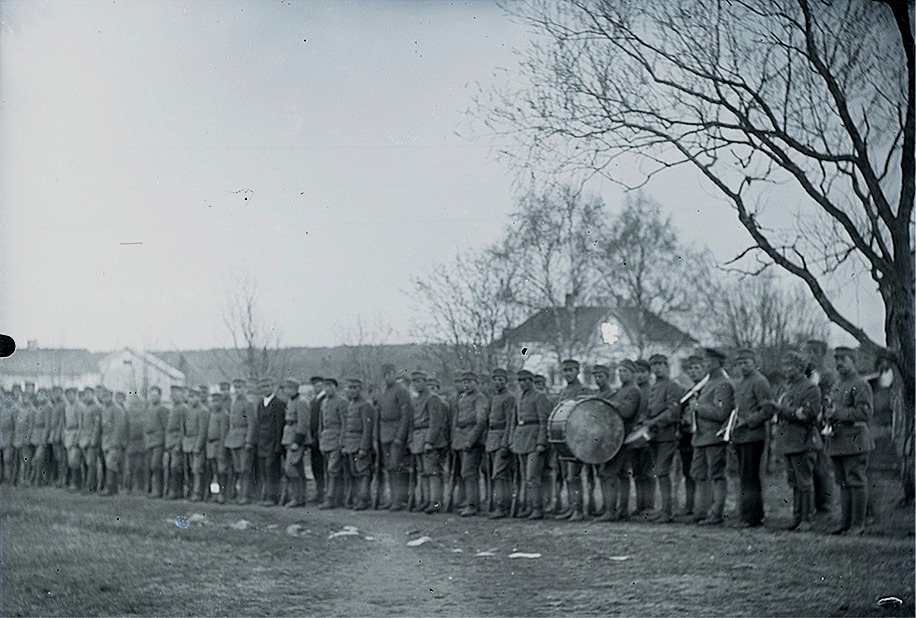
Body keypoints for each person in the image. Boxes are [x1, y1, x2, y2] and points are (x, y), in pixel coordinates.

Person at [825, 347, 874, 535]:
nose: (839, 363)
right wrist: (829, 414)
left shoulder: (860, 384)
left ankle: (858, 524)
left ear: (853, 361)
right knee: (843, 482)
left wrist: (838, 413)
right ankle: (845, 523)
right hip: (838, 440)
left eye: (843, 359)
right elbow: (833, 409)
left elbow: (865, 413)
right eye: (836, 359)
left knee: (856, 481)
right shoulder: (837, 384)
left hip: (855, 441)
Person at [773, 351, 822, 531]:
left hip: (804, 441)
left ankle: (807, 519)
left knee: (805, 482)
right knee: (794, 482)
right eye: (784, 365)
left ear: (801, 367)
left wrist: (781, 410)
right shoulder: (786, 387)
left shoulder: (810, 388)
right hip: (789, 442)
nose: (786, 369)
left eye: (790, 366)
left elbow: (808, 414)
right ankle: (797, 517)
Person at [731, 348, 775, 528]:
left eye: (746, 363)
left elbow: (768, 410)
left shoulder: (760, 381)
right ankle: (753, 514)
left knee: (750, 477)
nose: (743, 367)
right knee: (745, 476)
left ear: (754, 363)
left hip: (753, 436)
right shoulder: (742, 382)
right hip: (741, 437)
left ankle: (749, 517)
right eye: (740, 363)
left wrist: (747, 421)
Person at [690, 348, 735, 525]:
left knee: (717, 475)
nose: (705, 364)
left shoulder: (723, 384)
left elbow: (721, 413)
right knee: (699, 474)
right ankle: (701, 511)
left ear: (718, 363)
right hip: (701, 437)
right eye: (705, 361)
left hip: (714, 437)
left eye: (709, 362)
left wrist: (698, 407)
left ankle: (716, 513)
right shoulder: (708, 383)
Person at [596, 360, 642, 522]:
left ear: (632, 374)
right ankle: (622, 510)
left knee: (610, 473)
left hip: (623, 437)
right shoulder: (622, 390)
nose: (621, 374)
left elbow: (626, 412)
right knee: (622, 474)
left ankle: (611, 510)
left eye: (625, 372)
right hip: (618, 437)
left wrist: (608, 404)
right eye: (620, 371)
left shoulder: (633, 391)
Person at [643, 354, 685, 523]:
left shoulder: (672, 385)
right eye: (653, 365)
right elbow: (651, 409)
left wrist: (653, 421)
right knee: (659, 473)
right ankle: (663, 510)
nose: (657, 368)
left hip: (667, 436)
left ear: (666, 366)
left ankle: (668, 511)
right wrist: (646, 419)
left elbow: (673, 412)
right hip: (655, 436)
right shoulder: (654, 387)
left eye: (660, 364)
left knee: (662, 471)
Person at [508, 369, 552, 519]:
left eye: (525, 380)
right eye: (519, 381)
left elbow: (544, 421)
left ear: (531, 381)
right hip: (521, 440)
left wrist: (541, 442)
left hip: (534, 441)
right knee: (526, 478)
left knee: (533, 476)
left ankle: (537, 508)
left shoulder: (540, 396)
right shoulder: (519, 397)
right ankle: (529, 507)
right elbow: (516, 421)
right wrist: (513, 441)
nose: (522, 383)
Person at [802, 339, 837, 518]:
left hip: (821, 425)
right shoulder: (805, 374)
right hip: (806, 426)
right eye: (808, 351)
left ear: (823, 353)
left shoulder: (827, 375)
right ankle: (811, 506)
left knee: (821, 465)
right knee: (809, 466)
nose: (811, 355)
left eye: (815, 351)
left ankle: (824, 506)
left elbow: (829, 400)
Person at [556, 359, 594, 521]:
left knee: (574, 475)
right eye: (565, 371)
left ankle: (578, 510)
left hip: (578, 439)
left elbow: (587, 413)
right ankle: (572, 507)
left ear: (577, 371)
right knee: (567, 476)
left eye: (570, 370)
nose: (567, 374)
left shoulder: (584, 390)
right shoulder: (563, 391)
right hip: (564, 439)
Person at [409, 371, 450, 514]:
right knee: (423, 473)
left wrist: (429, 441)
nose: (416, 384)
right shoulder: (416, 399)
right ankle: (426, 500)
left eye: (419, 381)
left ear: (425, 382)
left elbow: (435, 422)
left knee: (432, 472)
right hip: (417, 438)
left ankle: (435, 502)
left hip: (429, 439)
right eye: (413, 381)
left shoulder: (432, 398)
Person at [377, 364, 414, 511]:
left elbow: (406, 415)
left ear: (394, 374)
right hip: (385, 434)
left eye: (389, 374)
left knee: (396, 467)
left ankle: (399, 500)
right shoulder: (384, 391)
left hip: (396, 433)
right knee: (390, 468)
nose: (387, 377)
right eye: (384, 374)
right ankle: (392, 498)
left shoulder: (401, 390)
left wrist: (400, 436)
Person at [451, 372, 489, 517]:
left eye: (470, 381)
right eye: (464, 381)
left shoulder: (480, 398)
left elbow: (481, 422)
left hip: (473, 442)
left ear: (476, 382)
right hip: (461, 439)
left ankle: (473, 505)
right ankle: (470, 502)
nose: (466, 384)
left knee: (469, 473)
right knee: (465, 473)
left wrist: (470, 440)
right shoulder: (463, 397)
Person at [341, 378, 378, 511]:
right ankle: (356, 498)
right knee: (353, 473)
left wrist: (364, 447)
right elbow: (346, 426)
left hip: (359, 443)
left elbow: (368, 429)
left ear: (360, 389)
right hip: (350, 443)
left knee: (363, 472)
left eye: (355, 388)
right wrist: (344, 445)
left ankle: (364, 499)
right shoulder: (350, 404)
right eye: (349, 388)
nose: (352, 390)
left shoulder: (365, 405)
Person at [485, 368, 515, 519]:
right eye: (495, 379)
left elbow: (510, 422)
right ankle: (500, 504)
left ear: (506, 381)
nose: (497, 382)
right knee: (496, 474)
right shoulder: (494, 397)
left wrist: (505, 444)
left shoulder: (509, 397)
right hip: (491, 439)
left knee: (499, 474)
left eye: (501, 380)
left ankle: (501, 506)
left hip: (502, 438)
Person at [677, 355, 705, 517]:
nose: (693, 372)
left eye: (697, 368)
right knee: (688, 472)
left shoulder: (706, 389)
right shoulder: (688, 392)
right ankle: (689, 505)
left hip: (703, 435)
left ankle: (702, 507)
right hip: (687, 437)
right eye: (691, 369)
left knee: (701, 472)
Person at [224, 378, 257, 505]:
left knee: (245, 469)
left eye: (240, 388)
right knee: (237, 469)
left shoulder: (248, 404)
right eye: (236, 388)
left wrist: (249, 441)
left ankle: (245, 495)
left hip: (243, 439)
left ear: (245, 389)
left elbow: (252, 424)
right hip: (233, 439)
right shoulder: (233, 403)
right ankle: (237, 494)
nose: (238, 390)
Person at [280, 378, 312, 508]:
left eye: (290, 388)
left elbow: (303, 424)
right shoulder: (291, 401)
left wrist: (297, 442)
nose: (287, 390)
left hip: (296, 440)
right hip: (289, 437)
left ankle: (296, 498)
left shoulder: (301, 402)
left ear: (296, 389)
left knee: (290, 468)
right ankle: (300, 498)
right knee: (297, 468)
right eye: (286, 388)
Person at [254, 378, 286, 506]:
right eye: (262, 386)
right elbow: (259, 424)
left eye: (267, 386)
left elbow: (279, 426)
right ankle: (265, 495)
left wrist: (278, 445)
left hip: (273, 443)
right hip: (262, 442)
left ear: (273, 386)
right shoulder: (260, 403)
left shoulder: (279, 403)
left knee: (272, 470)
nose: (265, 388)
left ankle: (272, 497)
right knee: (264, 470)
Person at [318, 378, 348, 509]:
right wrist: (321, 439)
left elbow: (344, 424)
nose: (327, 389)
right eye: (325, 386)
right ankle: (336, 498)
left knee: (333, 469)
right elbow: (321, 424)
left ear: (335, 387)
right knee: (329, 471)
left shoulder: (342, 402)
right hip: (326, 440)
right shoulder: (323, 403)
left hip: (336, 439)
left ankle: (330, 499)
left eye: (329, 386)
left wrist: (342, 442)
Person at [631, 359, 655, 517]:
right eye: (637, 372)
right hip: (633, 437)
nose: (639, 376)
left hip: (647, 436)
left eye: (642, 372)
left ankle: (649, 506)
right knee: (637, 472)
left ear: (649, 373)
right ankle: (640, 505)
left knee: (647, 472)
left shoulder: (651, 391)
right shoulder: (634, 391)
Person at [99, 387, 128, 496]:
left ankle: (110, 488)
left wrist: (115, 442)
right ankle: (113, 488)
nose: (105, 399)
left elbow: (119, 427)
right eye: (103, 396)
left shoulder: (117, 409)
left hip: (113, 442)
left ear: (111, 396)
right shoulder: (104, 409)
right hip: (106, 441)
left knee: (111, 463)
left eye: (107, 396)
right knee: (109, 464)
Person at [143, 386, 169, 498]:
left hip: (158, 441)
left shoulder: (162, 409)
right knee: (149, 466)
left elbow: (165, 426)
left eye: (155, 395)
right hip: (149, 441)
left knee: (156, 465)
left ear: (159, 396)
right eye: (151, 395)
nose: (153, 398)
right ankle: (151, 489)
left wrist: (165, 442)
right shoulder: (148, 408)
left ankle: (158, 490)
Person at [204, 392, 230, 503]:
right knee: (212, 470)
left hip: (219, 445)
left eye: (217, 401)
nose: (215, 404)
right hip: (210, 446)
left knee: (221, 471)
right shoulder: (211, 414)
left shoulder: (223, 415)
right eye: (213, 401)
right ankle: (213, 493)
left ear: (221, 402)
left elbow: (224, 433)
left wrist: (222, 448)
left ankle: (222, 494)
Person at [78, 387, 103, 493]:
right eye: (85, 395)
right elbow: (82, 425)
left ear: (93, 395)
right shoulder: (85, 408)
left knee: (91, 463)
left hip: (92, 440)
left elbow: (97, 426)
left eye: (89, 394)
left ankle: (91, 486)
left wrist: (94, 440)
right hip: (84, 439)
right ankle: (88, 485)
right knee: (86, 463)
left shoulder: (97, 407)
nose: (87, 396)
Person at [308, 376, 327, 505]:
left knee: (323, 466)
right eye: (314, 386)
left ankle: (324, 493)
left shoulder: (324, 400)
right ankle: (318, 491)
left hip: (322, 437)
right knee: (315, 466)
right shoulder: (313, 400)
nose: (316, 388)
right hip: (313, 439)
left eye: (319, 385)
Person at [61, 387, 84, 491]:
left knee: (74, 460)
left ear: (75, 395)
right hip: (68, 434)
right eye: (67, 394)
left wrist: (77, 438)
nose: (69, 396)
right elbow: (65, 423)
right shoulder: (67, 407)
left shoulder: (79, 406)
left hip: (76, 434)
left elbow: (81, 424)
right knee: (70, 460)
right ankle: (71, 482)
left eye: (71, 394)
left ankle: (77, 483)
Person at [125, 394, 147, 494]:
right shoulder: (128, 415)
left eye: (137, 404)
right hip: (131, 443)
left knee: (139, 466)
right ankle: (129, 487)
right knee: (130, 467)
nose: (134, 406)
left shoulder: (144, 415)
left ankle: (139, 487)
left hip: (141, 443)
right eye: (133, 404)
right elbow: (125, 429)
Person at [30, 389, 51, 486]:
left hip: (42, 434)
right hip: (36, 434)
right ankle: (38, 479)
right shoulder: (38, 407)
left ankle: (38, 480)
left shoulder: (48, 407)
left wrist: (44, 438)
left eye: (42, 395)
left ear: (46, 396)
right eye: (38, 395)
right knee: (37, 459)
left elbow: (47, 425)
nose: (40, 397)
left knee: (38, 458)